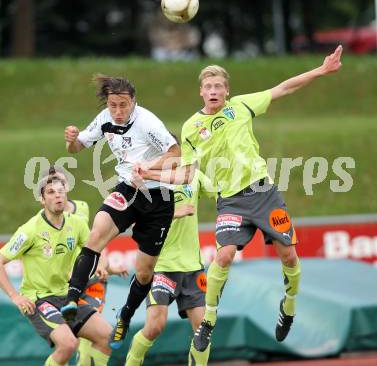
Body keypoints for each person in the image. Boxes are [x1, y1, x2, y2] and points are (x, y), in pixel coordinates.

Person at [134, 45, 343, 351]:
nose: (214, 91)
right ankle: (209, 320)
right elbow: (186, 172)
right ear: (201, 93)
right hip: (230, 201)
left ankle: (289, 305)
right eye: (208, 87)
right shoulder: (192, 127)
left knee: (289, 256)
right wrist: (150, 173)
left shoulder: (242, 106)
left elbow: (284, 88)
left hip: (263, 193)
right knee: (224, 255)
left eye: (219, 86)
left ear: (227, 92)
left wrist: (321, 70)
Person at [61, 74, 180, 350]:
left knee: (144, 273)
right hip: (127, 189)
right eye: (113, 105)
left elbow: (176, 153)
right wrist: (70, 140)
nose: (117, 111)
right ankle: (71, 298)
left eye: (123, 105)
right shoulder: (105, 118)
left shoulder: (148, 122)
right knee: (96, 234)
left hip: (159, 198)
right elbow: (78, 146)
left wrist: (149, 167)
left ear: (133, 102)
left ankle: (125, 315)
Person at [0, 175, 112, 366]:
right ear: (42, 200)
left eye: (61, 191)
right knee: (69, 344)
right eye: (51, 192)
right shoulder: (30, 230)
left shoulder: (75, 223)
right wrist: (15, 296)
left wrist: (101, 263)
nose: (58, 196)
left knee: (107, 337)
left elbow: (95, 249)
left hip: (67, 296)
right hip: (39, 299)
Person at [126, 169, 215, 366]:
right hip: (161, 265)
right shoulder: (148, 182)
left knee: (203, 330)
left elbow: (220, 192)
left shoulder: (194, 174)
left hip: (193, 266)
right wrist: (173, 213)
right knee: (155, 326)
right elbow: (136, 224)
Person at [42, 165, 128, 364]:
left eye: (62, 182)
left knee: (94, 331)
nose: (59, 187)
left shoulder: (82, 207)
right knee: (82, 335)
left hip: (89, 280)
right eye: (53, 184)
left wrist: (106, 266)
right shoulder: (48, 217)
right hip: (66, 283)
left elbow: (93, 241)